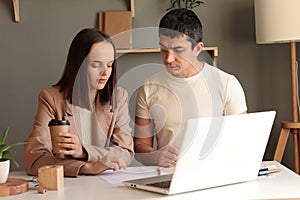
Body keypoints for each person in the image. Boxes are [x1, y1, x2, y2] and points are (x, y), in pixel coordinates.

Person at [134, 8, 247, 167]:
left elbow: (241, 143)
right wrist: (155, 156)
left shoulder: (227, 84)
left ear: (198, 49)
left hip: (215, 176)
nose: (168, 58)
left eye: (178, 50)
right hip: (168, 178)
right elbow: (139, 147)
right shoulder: (149, 87)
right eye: (163, 49)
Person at [23, 28, 134, 177]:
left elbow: (126, 152)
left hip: (106, 187)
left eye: (109, 65)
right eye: (96, 65)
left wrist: (83, 151)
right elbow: (34, 159)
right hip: (68, 187)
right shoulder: (50, 98)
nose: (105, 72)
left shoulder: (118, 97)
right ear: (78, 65)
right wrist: (86, 167)